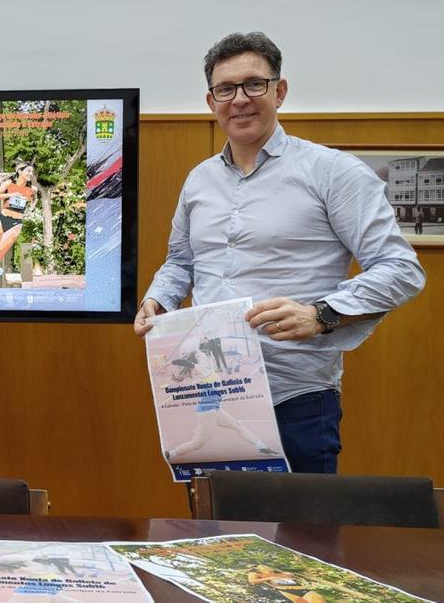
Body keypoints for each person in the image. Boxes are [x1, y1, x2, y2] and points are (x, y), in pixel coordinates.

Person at [135, 32, 425, 473]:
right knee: (215, 538)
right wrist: (159, 298)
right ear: (211, 100)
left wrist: (322, 314)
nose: (240, 100)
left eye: (254, 84)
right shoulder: (199, 180)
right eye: (225, 89)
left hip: (297, 401)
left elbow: (401, 269)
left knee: (303, 541)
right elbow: (181, 261)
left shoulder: (332, 172)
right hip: (207, 395)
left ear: (279, 91)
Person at [0, 162, 36, 288]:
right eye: (28, 171)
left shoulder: (32, 189)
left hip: (16, 223)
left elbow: (34, 198)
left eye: (32, 172)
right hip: (2, 219)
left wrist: (32, 206)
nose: (30, 174)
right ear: (20, 171)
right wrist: (10, 195)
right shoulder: (9, 184)